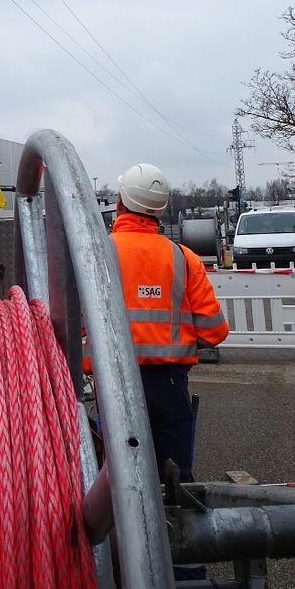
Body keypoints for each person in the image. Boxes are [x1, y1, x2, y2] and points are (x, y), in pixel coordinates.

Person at [110, 162, 229, 484]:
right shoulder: (182, 257)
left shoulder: (96, 254)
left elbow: (74, 325)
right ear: (159, 211)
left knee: (118, 481)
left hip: (113, 383)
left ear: (120, 203)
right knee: (175, 482)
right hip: (169, 384)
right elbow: (214, 331)